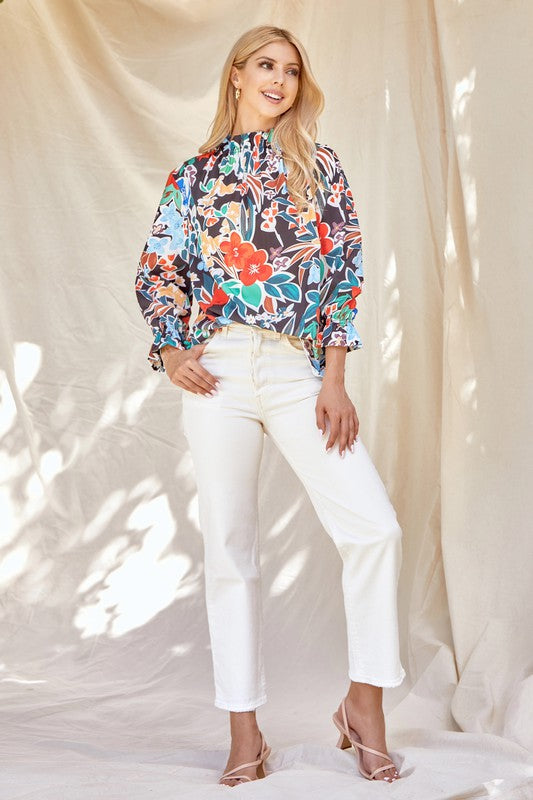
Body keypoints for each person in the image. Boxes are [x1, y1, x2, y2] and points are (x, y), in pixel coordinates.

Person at [135, 24, 405, 786]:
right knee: (230, 547)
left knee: (373, 527)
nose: (278, 80)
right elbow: (158, 268)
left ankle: (363, 706)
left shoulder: (319, 167)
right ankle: (244, 734)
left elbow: (344, 275)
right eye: (264, 65)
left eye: (289, 69)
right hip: (217, 369)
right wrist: (173, 350)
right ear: (236, 75)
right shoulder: (194, 176)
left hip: (294, 369)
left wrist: (333, 378)